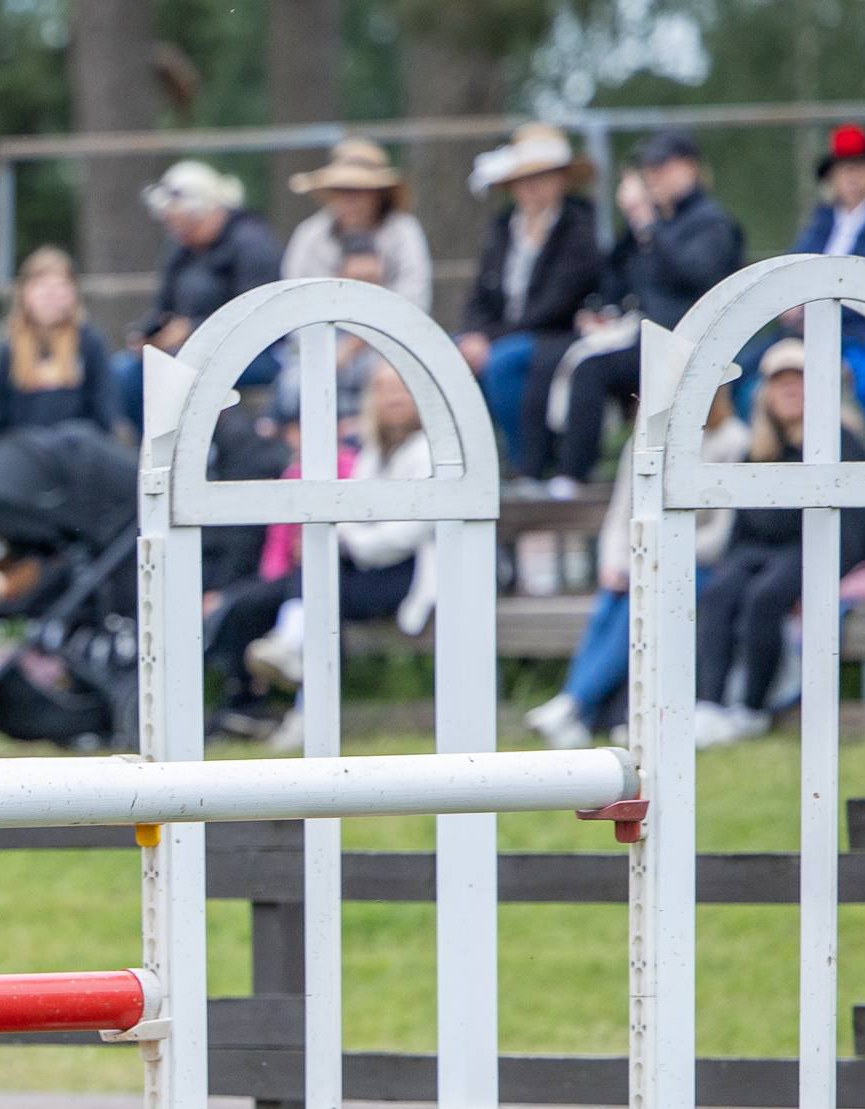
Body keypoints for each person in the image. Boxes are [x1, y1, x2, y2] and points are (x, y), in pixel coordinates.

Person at [203, 361, 437, 742]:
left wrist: (343, 543)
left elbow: (408, 533)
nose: (392, 395)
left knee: (316, 579)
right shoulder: (374, 450)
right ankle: (243, 705)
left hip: (408, 575)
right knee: (247, 601)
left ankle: (293, 661)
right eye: (382, 387)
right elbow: (351, 511)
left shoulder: (430, 451)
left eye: (401, 386)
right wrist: (339, 539)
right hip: (358, 566)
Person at [694, 339, 865, 747]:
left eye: (798, 383)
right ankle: (708, 705)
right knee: (719, 591)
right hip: (762, 552)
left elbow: (855, 530)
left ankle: (751, 707)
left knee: (765, 597)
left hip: (819, 551)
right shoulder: (759, 450)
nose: (788, 391)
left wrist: (821, 575)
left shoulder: (843, 444)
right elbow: (744, 523)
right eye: (779, 383)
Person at [524, 383, 745, 750]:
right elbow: (619, 516)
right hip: (645, 562)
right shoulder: (641, 442)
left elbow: (722, 535)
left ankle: (574, 703)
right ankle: (577, 707)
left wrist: (658, 557)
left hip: (699, 567)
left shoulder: (732, 440)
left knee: (638, 599)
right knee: (611, 600)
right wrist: (616, 562)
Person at [549, 129, 748, 485]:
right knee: (558, 358)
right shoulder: (655, 226)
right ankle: (548, 472)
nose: (654, 175)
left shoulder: (713, 223)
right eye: (649, 167)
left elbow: (696, 277)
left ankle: (573, 477)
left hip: (689, 346)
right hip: (648, 339)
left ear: (691, 167)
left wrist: (648, 224)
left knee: (591, 371)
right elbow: (616, 280)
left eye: (664, 165)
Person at [457, 122, 605, 480]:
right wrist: (473, 336)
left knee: (502, 365)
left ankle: (526, 466)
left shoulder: (579, 229)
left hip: (553, 337)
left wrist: (488, 342)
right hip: (501, 335)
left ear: (561, 180)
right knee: (447, 355)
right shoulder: (502, 227)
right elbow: (480, 295)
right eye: (524, 178)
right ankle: (467, 470)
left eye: (542, 176)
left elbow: (556, 304)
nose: (531, 186)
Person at [788, 123, 865, 438]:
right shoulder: (822, 219)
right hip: (805, 329)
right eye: (843, 168)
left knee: (863, 380)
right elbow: (795, 266)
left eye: (859, 167)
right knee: (752, 369)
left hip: (859, 331)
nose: (851, 176)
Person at [144, 161, 283, 388]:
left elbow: (256, 316)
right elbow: (164, 306)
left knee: (179, 370)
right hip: (188, 350)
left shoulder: (250, 242)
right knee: (126, 371)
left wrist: (192, 330)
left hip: (253, 353)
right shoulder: (181, 249)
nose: (178, 232)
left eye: (187, 223)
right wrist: (150, 333)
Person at [280, 138, 433, 310]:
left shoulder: (403, 232)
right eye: (341, 190)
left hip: (392, 331)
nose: (349, 199)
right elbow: (294, 300)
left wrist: (373, 303)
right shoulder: (310, 234)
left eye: (359, 191)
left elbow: (415, 299)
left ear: (378, 194)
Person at [0, 246, 109, 441]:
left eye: (60, 286)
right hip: (25, 454)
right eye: (42, 286)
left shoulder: (89, 344)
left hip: (78, 451)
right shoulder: (10, 349)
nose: (51, 295)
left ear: (73, 292)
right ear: (25, 293)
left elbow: (105, 412)